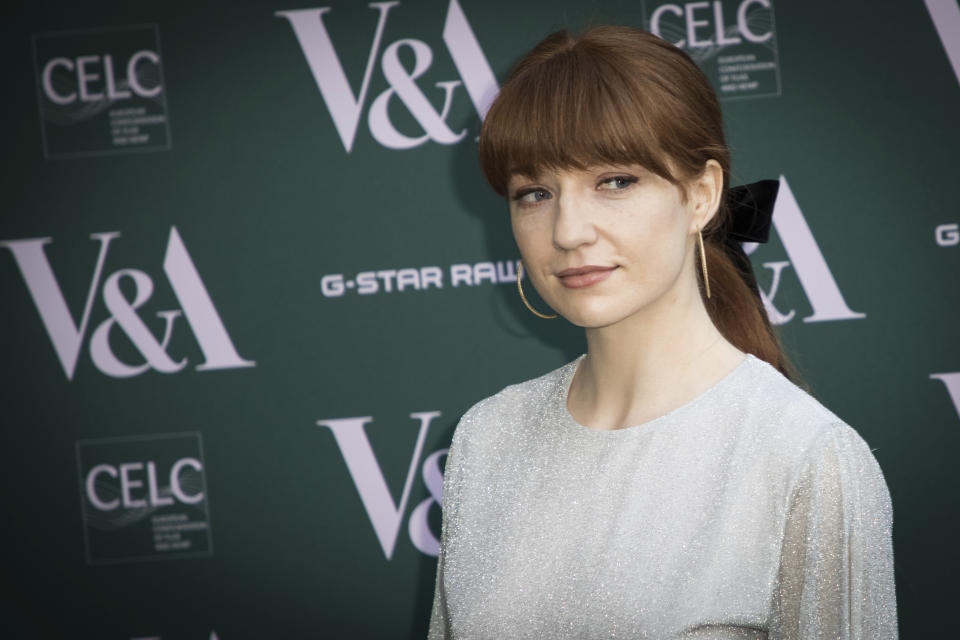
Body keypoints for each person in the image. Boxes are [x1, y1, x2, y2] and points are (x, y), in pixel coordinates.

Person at [427, 26, 896, 639]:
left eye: (615, 181)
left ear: (701, 195)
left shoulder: (805, 457)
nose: (568, 231)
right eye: (535, 193)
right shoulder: (487, 438)